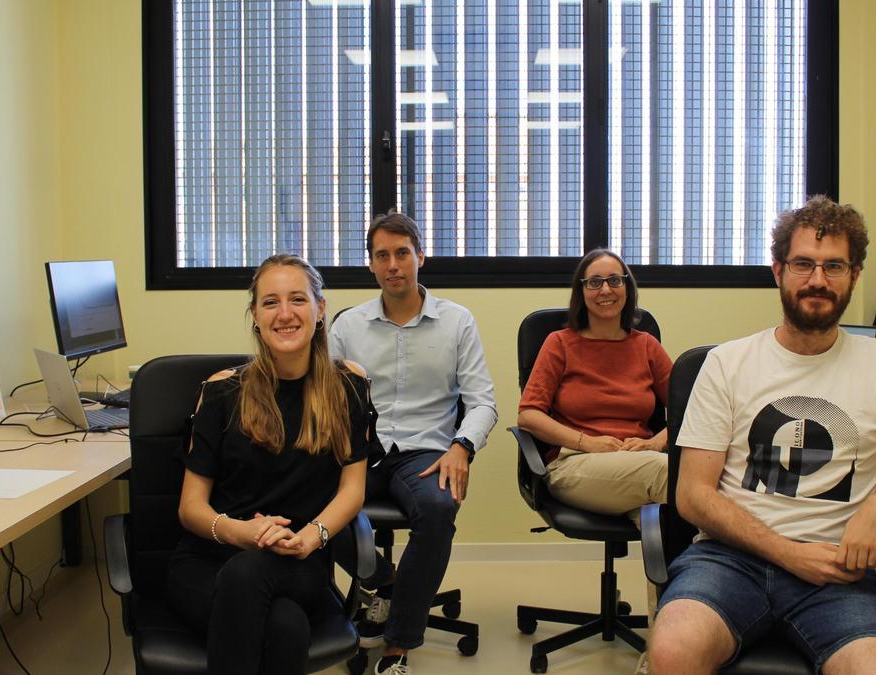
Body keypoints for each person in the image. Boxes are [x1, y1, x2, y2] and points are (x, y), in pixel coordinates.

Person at [649, 195, 876, 675]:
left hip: (838, 574)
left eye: (834, 267)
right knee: (672, 650)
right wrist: (788, 553)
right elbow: (692, 495)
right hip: (729, 562)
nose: (817, 280)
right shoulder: (727, 364)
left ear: (854, 275)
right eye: (803, 264)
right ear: (778, 270)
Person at [167, 254, 375, 675]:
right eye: (270, 302)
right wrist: (241, 532)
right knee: (285, 626)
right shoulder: (223, 391)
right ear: (255, 317)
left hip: (300, 560)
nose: (285, 314)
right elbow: (191, 507)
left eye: (298, 299)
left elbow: (353, 490)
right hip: (209, 559)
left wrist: (312, 537)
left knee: (252, 581)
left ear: (320, 310)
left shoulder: (348, 387)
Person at [329, 211, 497, 675]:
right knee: (304, 497)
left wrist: (462, 447)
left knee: (439, 508)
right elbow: (317, 393)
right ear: (370, 265)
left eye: (403, 253)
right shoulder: (347, 327)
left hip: (426, 452)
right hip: (360, 450)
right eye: (382, 255)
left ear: (421, 256)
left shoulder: (457, 322)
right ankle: (382, 580)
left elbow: (483, 402)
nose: (393, 265)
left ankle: (398, 644)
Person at [516, 249, 672, 522]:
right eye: (594, 282)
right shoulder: (560, 343)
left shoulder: (646, 345)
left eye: (614, 280)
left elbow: (694, 410)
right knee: (679, 476)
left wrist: (657, 442)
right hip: (575, 464)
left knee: (667, 526)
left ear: (627, 287)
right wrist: (587, 442)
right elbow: (528, 416)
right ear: (582, 291)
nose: (605, 290)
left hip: (640, 462)